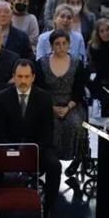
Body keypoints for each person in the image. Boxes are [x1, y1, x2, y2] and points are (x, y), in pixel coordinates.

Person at [0, 60, 61, 218]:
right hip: (9, 147)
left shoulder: (44, 98)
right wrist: (12, 150)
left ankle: (47, 213)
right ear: (13, 77)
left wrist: (31, 151)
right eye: (19, 76)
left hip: (37, 148)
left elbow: (47, 133)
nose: (23, 81)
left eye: (26, 77)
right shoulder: (1, 97)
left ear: (33, 77)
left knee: (55, 166)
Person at [38, 30, 87, 177]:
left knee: (75, 124)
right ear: (52, 46)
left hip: (71, 104)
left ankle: (76, 158)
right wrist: (52, 107)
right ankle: (48, 160)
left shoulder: (77, 63)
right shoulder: (42, 63)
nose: (61, 47)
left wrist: (67, 108)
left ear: (69, 44)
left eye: (64, 43)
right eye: (57, 44)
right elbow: (40, 89)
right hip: (48, 104)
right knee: (50, 124)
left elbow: (79, 90)